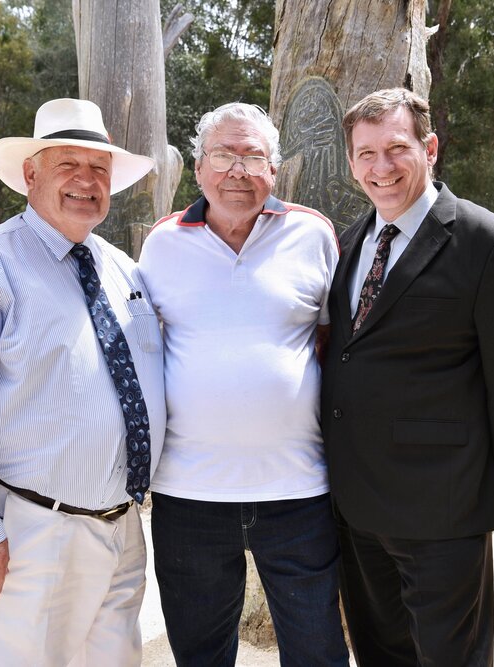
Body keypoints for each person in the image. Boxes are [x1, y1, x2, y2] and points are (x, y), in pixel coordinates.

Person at [0, 98, 166, 666]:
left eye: (99, 169)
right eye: (68, 165)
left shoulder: (121, 269)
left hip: (121, 528)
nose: (87, 181)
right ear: (30, 174)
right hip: (30, 531)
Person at [321, 88, 494, 666]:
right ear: (351, 162)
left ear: (429, 148)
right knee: (380, 654)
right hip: (356, 508)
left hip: (443, 507)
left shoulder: (488, 244)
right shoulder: (348, 242)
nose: (381, 168)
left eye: (396, 149)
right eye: (365, 153)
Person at [139, 102, 349, 667]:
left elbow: (331, 345)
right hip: (189, 494)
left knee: (318, 649)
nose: (238, 170)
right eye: (224, 155)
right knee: (201, 653)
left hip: (300, 491)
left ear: (274, 169)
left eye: (253, 155)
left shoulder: (313, 234)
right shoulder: (160, 245)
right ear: (200, 166)